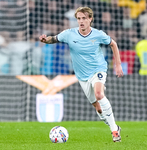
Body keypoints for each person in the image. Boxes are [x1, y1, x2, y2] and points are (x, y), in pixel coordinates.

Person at [39, 6, 123, 142]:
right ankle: (112, 124)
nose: (81, 21)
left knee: (99, 94)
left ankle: (114, 132)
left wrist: (118, 65)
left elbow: (113, 44)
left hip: (98, 69)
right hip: (82, 76)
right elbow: (53, 39)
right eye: (79, 18)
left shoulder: (98, 34)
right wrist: (45, 40)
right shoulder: (69, 34)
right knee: (99, 109)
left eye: (84, 18)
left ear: (90, 19)